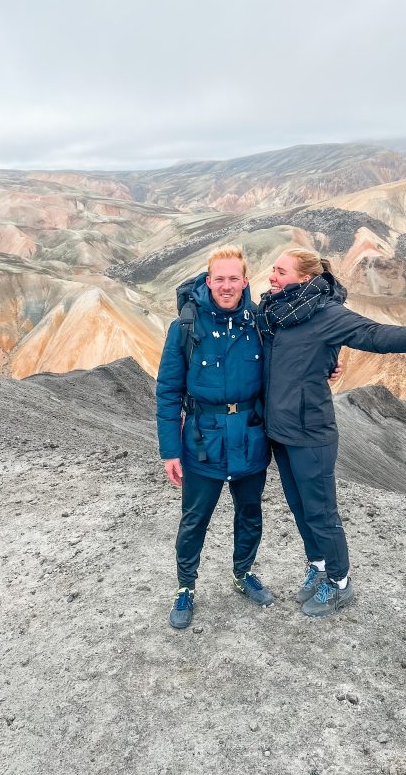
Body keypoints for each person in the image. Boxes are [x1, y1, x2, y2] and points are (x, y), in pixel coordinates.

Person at [257, 247, 406, 619]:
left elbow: (377, 335)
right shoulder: (274, 312)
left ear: (305, 279)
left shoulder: (327, 314)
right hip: (279, 430)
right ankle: (320, 565)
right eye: (272, 270)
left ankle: (340, 584)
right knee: (299, 508)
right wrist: (326, 364)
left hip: (311, 433)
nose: (271, 277)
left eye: (279, 271)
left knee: (321, 512)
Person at [156, 245, 274, 629]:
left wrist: (330, 364)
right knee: (194, 520)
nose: (226, 286)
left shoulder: (260, 324)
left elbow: (296, 359)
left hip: (251, 438)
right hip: (201, 442)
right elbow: (168, 391)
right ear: (208, 281)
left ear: (244, 281)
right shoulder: (186, 328)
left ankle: (243, 574)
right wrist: (169, 450)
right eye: (219, 279)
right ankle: (185, 587)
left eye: (233, 278)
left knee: (250, 514)